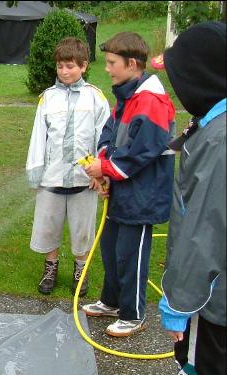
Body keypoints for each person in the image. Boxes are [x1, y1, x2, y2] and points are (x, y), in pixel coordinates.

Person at [137, 21, 226, 375]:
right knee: (220, 368)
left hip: (211, 293)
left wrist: (180, 302)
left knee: (198, 372)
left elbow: (202, 234)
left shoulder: (219, 141)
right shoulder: (213, 125)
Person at [81, 32, 176, 337]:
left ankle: (133, 314)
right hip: (123, 189)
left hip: (142, 194)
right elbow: (109, 133)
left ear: (132, 64)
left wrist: (106, 168)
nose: (107, 68)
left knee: (130, 255)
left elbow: (143, 150)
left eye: (112, 63)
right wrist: (102, 167)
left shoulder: (151, 100)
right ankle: (111, 301)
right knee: (110, 248)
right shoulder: (127, 95)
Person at [25, 37, 110, 296]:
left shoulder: (95, 98)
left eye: (70, 66)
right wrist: (36, 172)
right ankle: (50, 268)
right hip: (51, 179)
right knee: (48, 225)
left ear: (83, 66)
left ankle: (80, 270)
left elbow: (104, 137)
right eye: (60, 66)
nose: (64, 71)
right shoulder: (48, 99)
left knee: (82, 229)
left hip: (85, 180)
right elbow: (39, 137)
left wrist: (101, 170)